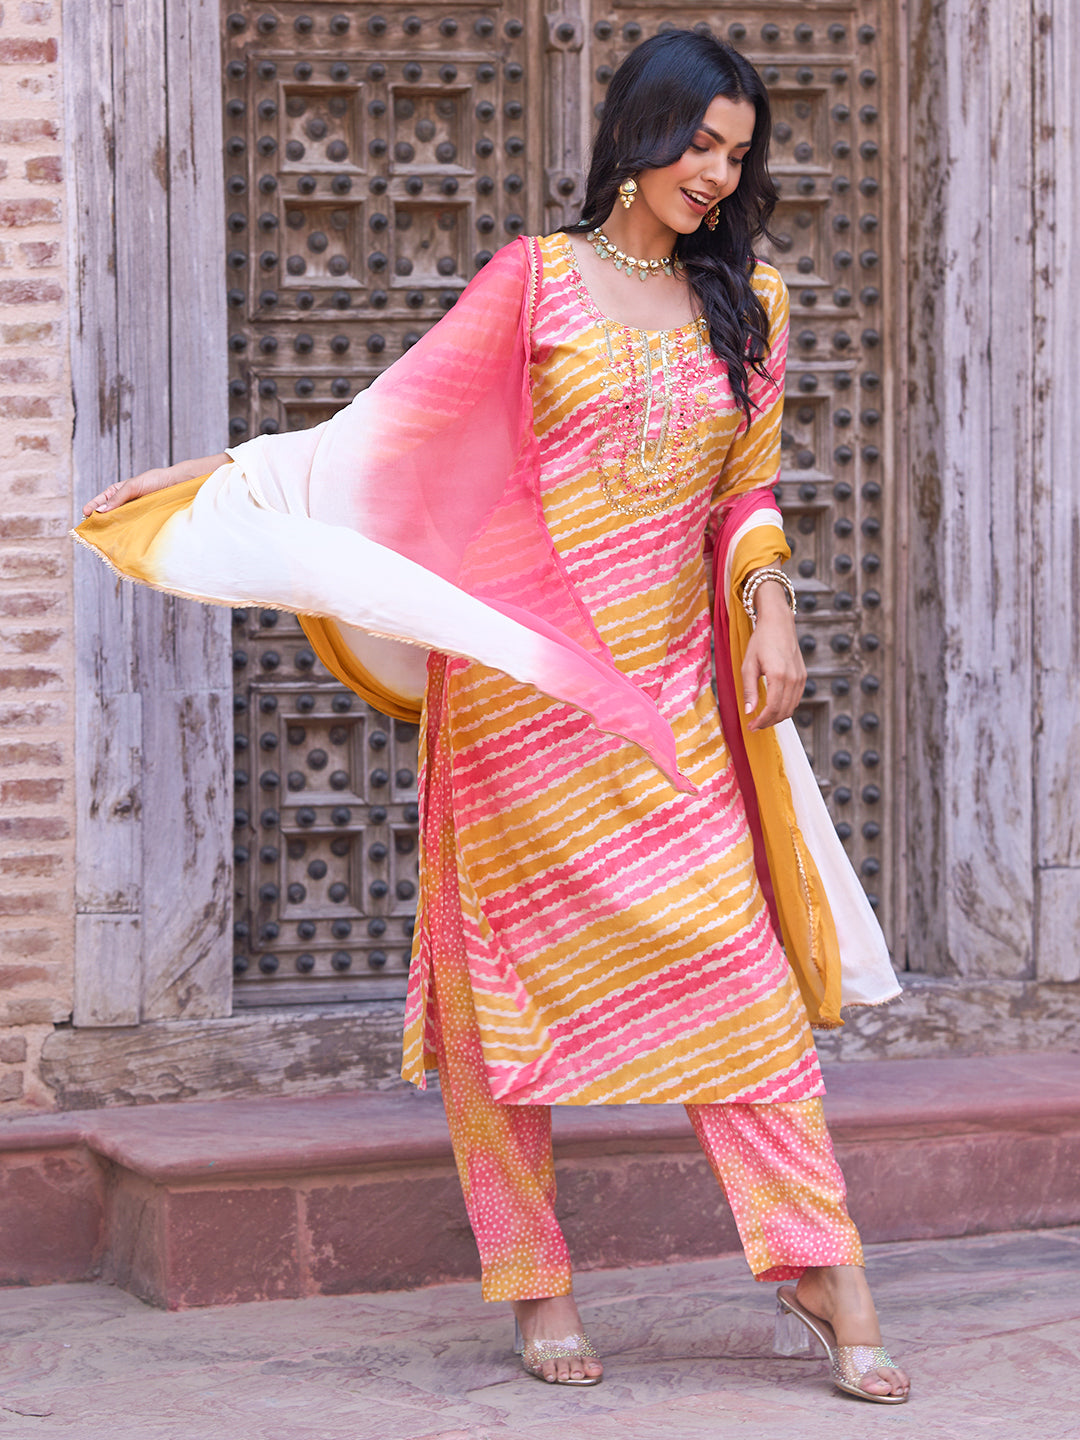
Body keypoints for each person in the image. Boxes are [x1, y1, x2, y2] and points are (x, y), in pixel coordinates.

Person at [78, 30, 909, 1404]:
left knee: (741, 978)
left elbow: (745, 492)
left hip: (668, 699)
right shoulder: (534, 281)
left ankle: (823, 1265)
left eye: (737, 154)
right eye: (698, 143)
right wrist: (210, 478)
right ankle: (535, 1278)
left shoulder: (749, 301)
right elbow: (383, 432)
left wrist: (770, 606)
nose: (716, 174)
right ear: (638, 133)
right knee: (502, 998)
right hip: (517, 699)